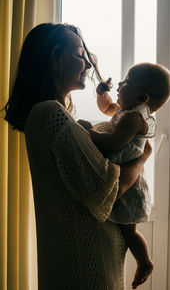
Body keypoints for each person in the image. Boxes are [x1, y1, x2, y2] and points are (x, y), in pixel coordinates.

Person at [3, 23, 152, 290]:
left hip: (84, 266)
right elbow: (108, 188)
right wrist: (141, 159)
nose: (86, 63)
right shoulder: (51, 114)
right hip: (84, 271)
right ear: (54, 59)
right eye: (79, 54)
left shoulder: (52, 114)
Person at [78, 62, 170, 289]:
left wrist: (89, 132)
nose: (120, 84)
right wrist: (103, 96)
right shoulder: (128, 112)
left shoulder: (134, 119)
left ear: (142, 97)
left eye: (126, 82)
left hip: (131, 189)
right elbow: (109, 108)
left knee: (129, 231)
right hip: (126, 180)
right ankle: (144, 260)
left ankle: (144, 261)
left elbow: (113, 143)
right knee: (123, 229)